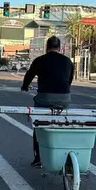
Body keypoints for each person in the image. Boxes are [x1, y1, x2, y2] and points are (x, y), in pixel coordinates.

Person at [21, 36, 75, 167]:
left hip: (45, 98)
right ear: (60, 47)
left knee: (38, 125)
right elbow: (69, 80)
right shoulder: (68, 61)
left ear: (47, 47)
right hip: (64, 98)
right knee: (62, 123)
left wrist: (25, 86)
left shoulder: (40, 60)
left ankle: (38, 158)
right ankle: (63, 154)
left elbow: (29, 75)